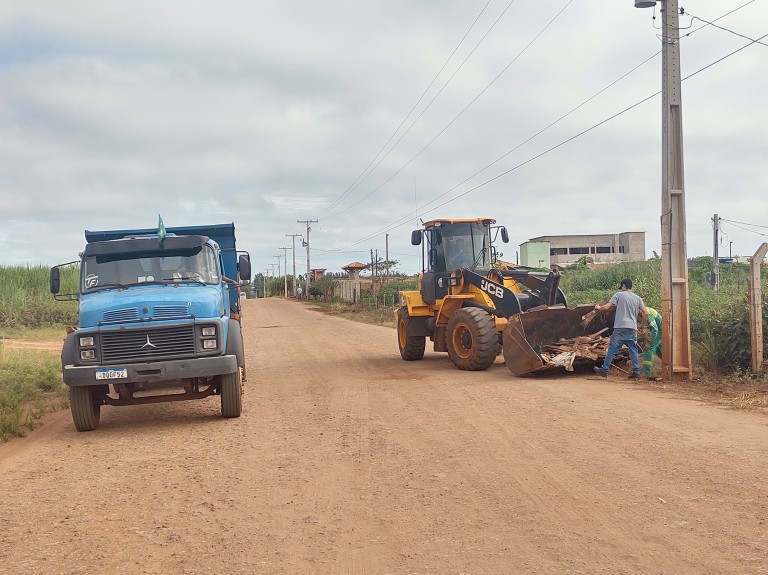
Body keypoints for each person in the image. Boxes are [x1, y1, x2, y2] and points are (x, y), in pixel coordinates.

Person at [593, 278, 647, 379]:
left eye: (621, 287)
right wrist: (642, 326)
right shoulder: (638, 298)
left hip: (620, 327)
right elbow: (646, 313)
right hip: (632, 328)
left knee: (612, 349)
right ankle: (636, 371)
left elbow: (607, 307)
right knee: (633, 350)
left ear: (623, 286)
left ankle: (604, 370)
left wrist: (598, 308)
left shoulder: (619, 295)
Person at [642, 306, 663, 380]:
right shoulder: (643, 312)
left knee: (648, 349)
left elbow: (655, 329)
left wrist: (649, 342)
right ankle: (670, 368)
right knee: (659, 351)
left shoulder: (647, 313)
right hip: (659, 329)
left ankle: (646, 373)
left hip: (660, 330)